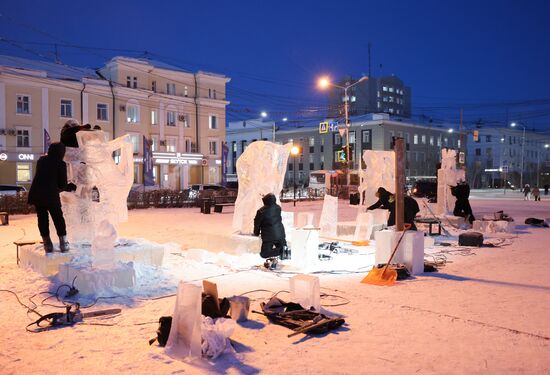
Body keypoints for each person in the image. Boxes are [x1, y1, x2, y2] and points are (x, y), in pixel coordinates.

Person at [28, 142, 76, 253]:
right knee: (58, 218)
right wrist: (69, 186)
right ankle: (63, 243)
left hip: (37, 193)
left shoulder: (41, 160)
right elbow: (62, 185)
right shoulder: (60, 164)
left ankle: (47, 244)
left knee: (42, 218)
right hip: (50, 195)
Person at [254, 193, 286, 269]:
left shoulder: (261, 211)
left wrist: (256, 233)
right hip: (280, 234)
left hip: (269, 236)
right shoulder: (278, 208)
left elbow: (257, 223)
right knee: (282, 247)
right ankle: (283, 249)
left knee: (264, 254)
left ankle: (281, 250)